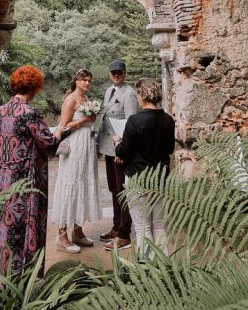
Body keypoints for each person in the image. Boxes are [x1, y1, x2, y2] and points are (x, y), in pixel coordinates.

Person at [0, 65, 73, 275]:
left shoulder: (2, 110)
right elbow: (48, 143)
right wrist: (61, 131)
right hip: (26, 181)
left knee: (3, 225)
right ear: (35, 88)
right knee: (25, 224)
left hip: (3, 181)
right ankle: (25, 274)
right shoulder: (30, 113)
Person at [113, 76, 176, 257]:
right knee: (159, 225)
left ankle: (147, 270)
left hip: (137, 178)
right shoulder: (168, 120)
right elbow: (170, 148)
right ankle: (164, 265)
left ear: (141, 95)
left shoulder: (134, 120)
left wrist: (117, 143)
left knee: (142, 227)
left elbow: (124, 152)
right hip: (160, 179)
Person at [49, 68, 103, 252]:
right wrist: (84, 120)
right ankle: (62, 235)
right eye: (83, 80)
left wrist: (91, 119)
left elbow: (90, 120)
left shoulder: (87, 100)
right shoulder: (70, 100)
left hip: (87, 147)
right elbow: (62, 128)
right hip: (74, 147)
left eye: (89, 80)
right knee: (71, 184)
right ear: (76, 81)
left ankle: (78, 231)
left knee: (83, 185)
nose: (86, 83)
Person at [97, 59, 138, 251]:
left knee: (122, 191)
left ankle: (124, 234)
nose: (117, 76)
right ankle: (115, 226)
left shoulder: (129, 94)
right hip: (107, 147)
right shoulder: (108, 91)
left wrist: (123, 150)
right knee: (114, 188)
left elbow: (129, 124)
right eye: (113, 73)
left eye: (120, 73)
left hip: (119, 150)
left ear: (125, 73)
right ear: (109, 74)